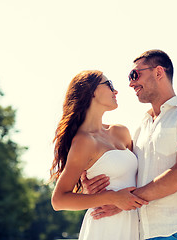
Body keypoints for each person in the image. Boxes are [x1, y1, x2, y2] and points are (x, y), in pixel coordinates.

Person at [82, 50, 177, 240]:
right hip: (144, 233)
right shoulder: (139, 128)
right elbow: (127, 173)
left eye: (135, 75)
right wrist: (91, 189)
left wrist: (123, 201)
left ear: (158, 72)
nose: (131, 83)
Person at [50, 70, 148, 240]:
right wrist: (110, 197)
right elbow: (58, 200)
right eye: (109, 85)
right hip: (104, 227)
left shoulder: (120, 132)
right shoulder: (83, 142)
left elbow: (142, 176)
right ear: (92, 91)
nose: (115, 91)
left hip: (135, 224)